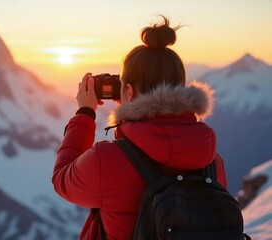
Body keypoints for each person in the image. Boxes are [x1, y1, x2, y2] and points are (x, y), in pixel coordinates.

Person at [52, 16, 227, 240]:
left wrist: (85, 113)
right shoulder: (212, 163)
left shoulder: (106, 160)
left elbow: (62, 180)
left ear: (130, 91)